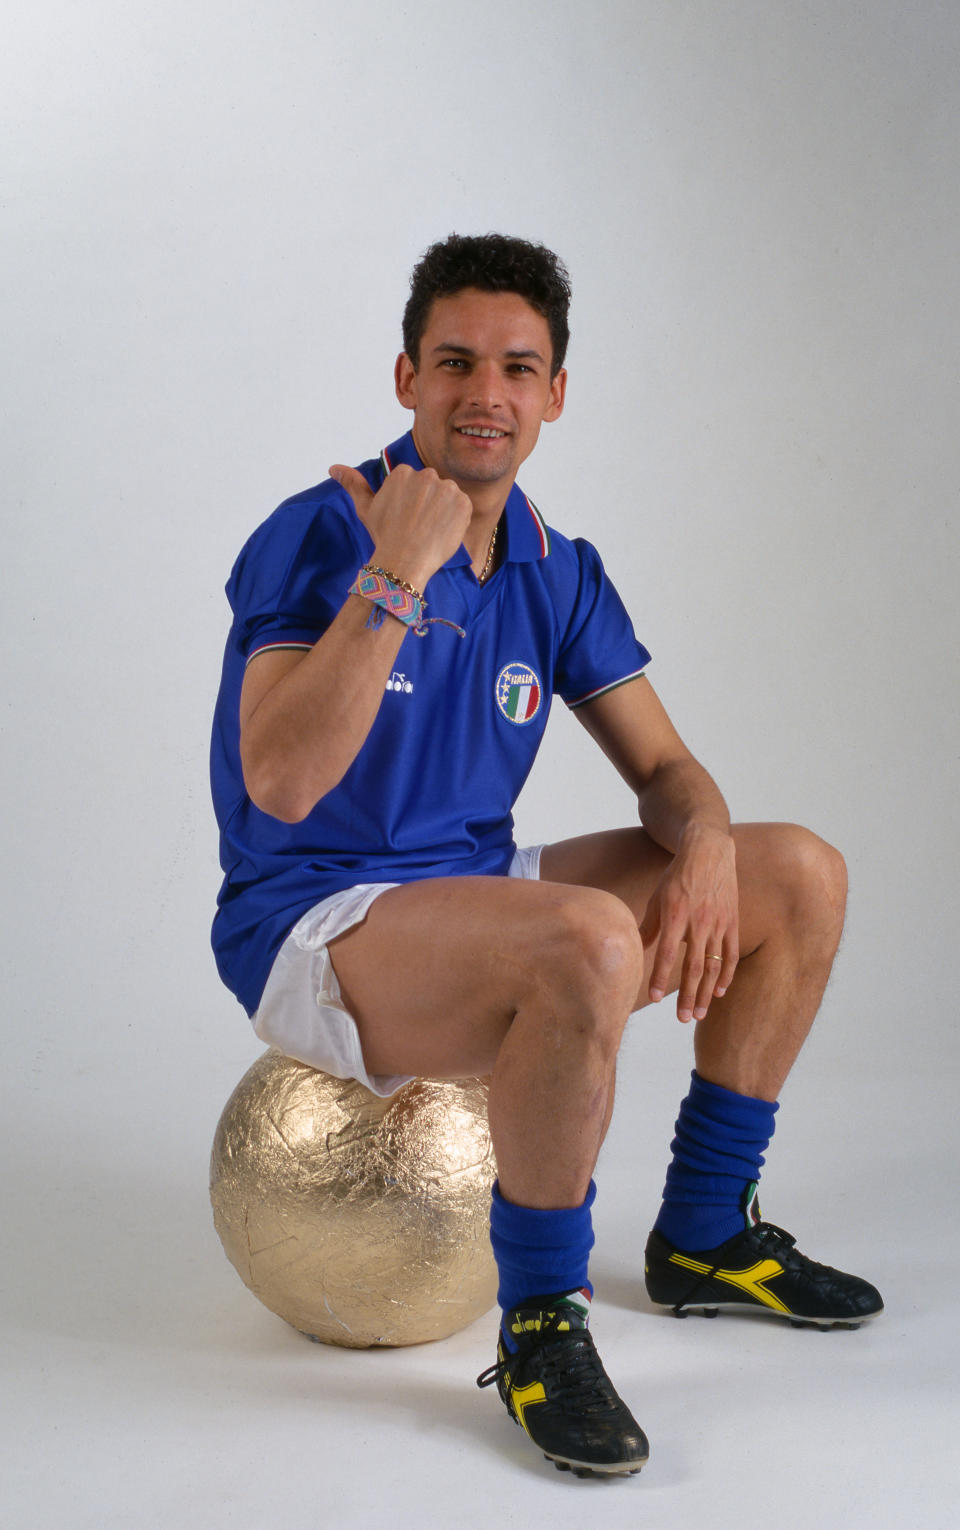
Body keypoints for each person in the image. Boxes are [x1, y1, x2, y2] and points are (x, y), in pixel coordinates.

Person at [210, 232, 882, 1480]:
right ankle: (541, 1325)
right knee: (587, 933)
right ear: (406, 376)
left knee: (803, 873)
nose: (487, 393)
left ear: (555, 394)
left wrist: (712, 841)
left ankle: (700, 1237)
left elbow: (667, 774)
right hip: (311, 920)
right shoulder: (321, 531)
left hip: (468, 897)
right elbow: (282, 780)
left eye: (519, 367)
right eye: (456, 361)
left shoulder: (552, 567)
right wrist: (394, 574)